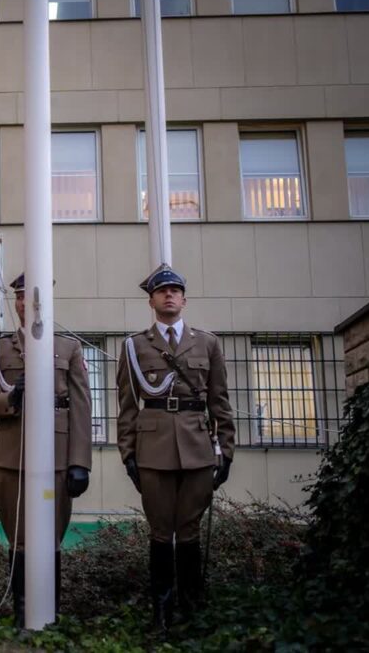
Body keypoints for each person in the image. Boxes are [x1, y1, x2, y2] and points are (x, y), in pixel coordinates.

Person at [116, 264, 235, 633]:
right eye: (162, 291)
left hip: (198, 447)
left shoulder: (208, 343)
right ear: (151, 301)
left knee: (189, 530)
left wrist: (226, 450)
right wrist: (128, 453)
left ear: (184, 300)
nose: (169, 295)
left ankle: (192, 609)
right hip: (152, 449)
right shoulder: (135, 346)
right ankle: (162, 611)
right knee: (160, 531)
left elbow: (220, 401)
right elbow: (126, 405)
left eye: (175, 290)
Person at [0, 273, 92, 628]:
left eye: (33, 296)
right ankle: (23, 615)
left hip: (57, 456)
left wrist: (80, 462)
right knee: (19, 537)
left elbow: (81, 408)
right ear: (16, 302)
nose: (27, 303)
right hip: (14, 456)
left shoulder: (68, 348)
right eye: (21, 297)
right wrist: (10, 398)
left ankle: (50, 615)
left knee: (52, 536)